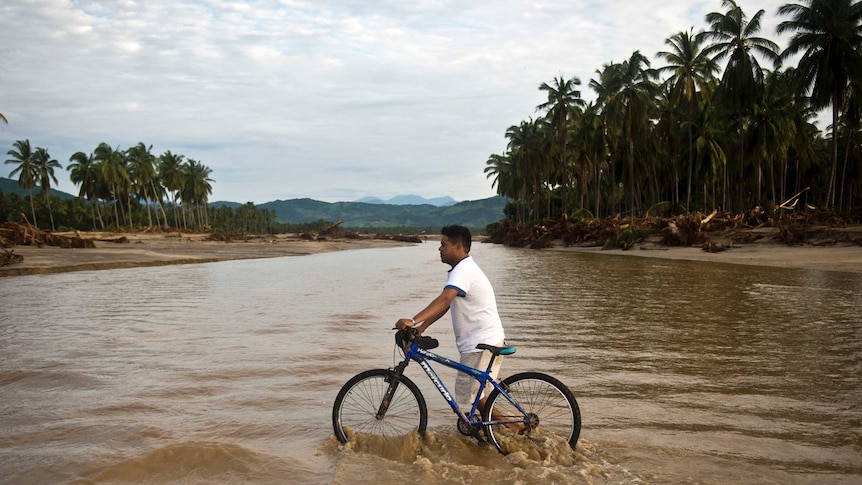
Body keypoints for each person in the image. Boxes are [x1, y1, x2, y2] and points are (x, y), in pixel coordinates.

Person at [396, 224, 506, 414]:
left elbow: (445, 299)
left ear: (458, 247)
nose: (439, 248)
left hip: (480, 344)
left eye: (443, 244)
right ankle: (495, 435)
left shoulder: (462, 271)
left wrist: (412, 321)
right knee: (478, 399)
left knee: (474, 397)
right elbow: (446, 305)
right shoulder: (464, 269)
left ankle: (512, 429)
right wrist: (421, 328)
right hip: (485, 340)